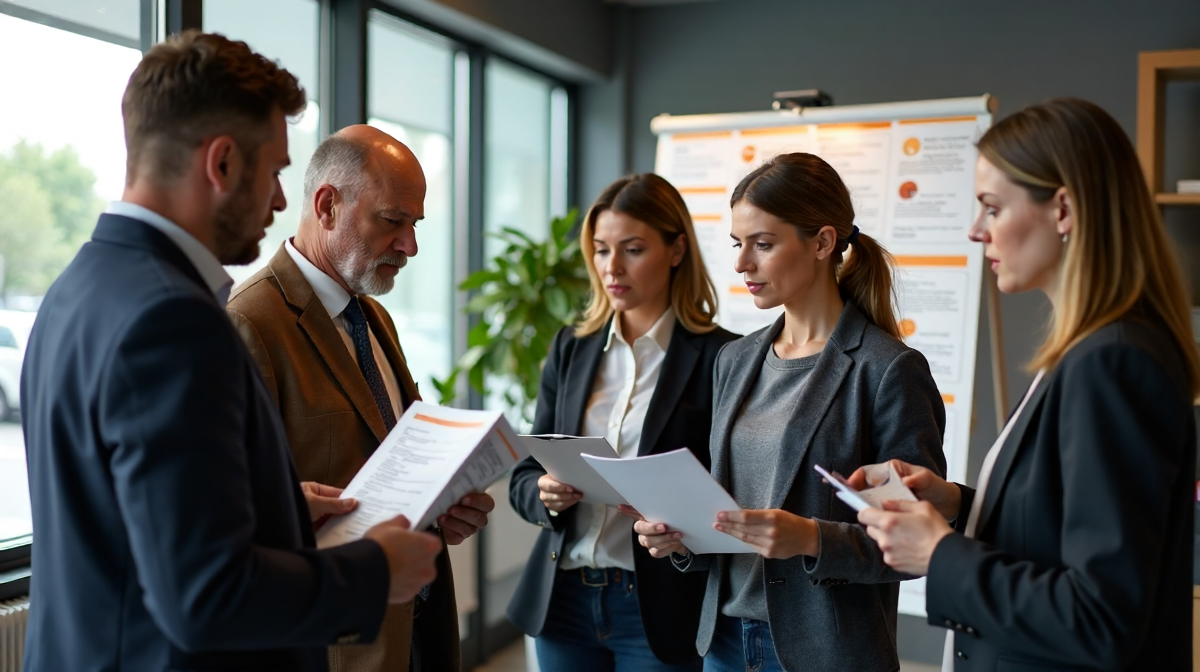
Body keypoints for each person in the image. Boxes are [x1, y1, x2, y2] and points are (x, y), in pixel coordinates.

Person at [20, 32, 443, 672]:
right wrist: (375, 569)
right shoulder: (173, 320)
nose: (280, 200)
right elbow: (204, 595)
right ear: (221, 164)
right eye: (274, 171)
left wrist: (276, 512)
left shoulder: (78, 287)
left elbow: (124, 527)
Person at [855, 98, 1199, 671]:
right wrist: (962, 506)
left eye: (992, 207)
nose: (975, 231)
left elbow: (1102, 614)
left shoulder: (1110, 363)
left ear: (1063, 208)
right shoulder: (1088, 352)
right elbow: (1064, 530)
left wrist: (940, 554)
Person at [636, 153, 947, 672]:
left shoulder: (888, 370)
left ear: (823, 243)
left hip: (827, 651)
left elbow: (916, 541)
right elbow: (729, 510)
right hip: (726, 642)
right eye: (739, 245)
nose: (741, 264)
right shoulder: (734, 360)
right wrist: (681, 537)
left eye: (763, 244)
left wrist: (810, 537)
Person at [226, 126, 494, 672]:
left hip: (417, 632)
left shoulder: (373, 316)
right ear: (326, 205)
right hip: (334, 647)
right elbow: (233, 521)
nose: (410, 245)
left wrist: (441, 512)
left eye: (415, 225)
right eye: (392, 221)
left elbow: (385, 462)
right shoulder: (248, 322)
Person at [507, 173, 739, 671]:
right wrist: (545, 494)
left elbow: (733, 494)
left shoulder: (724, 357)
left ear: (676, 250)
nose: (612, 267)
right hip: (563, 598)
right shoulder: (572, 347)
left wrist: (682, 522)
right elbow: (524, 474)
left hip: (658, 605)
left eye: (632, 249)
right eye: (600, 249)